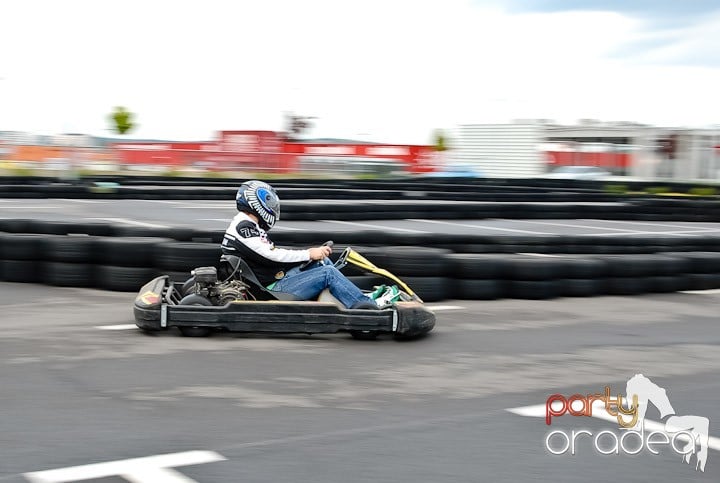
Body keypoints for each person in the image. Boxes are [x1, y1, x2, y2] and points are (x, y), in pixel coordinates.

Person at [221, 180, 399, 309]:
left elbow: (270, 255)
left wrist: (312, 257)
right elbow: (272, 255)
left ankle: (357, 298)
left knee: (322, 263)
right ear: (256, 202)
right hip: (273, 289)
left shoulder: (246, 225)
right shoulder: (244, 227)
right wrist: (308, 254)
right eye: (269, 202)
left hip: (273, 279)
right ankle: (368, 306)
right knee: (328, 272)